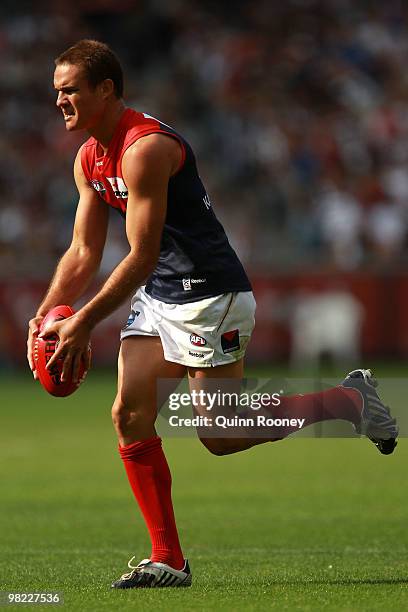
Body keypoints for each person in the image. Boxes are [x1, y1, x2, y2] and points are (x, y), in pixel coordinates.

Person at [27, 40, 398, 590]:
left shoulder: (145, 148)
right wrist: (45, 315)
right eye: (56, 91)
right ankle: (167, 560)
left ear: (105, 89)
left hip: (209, 295)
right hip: (158, 295)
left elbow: (142, 253)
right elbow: (83, 251)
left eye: (70, 90)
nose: (60, 100)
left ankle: (348, 400)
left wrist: (83, 321)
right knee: (129, 415)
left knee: (221, 433)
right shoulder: (89, 157)